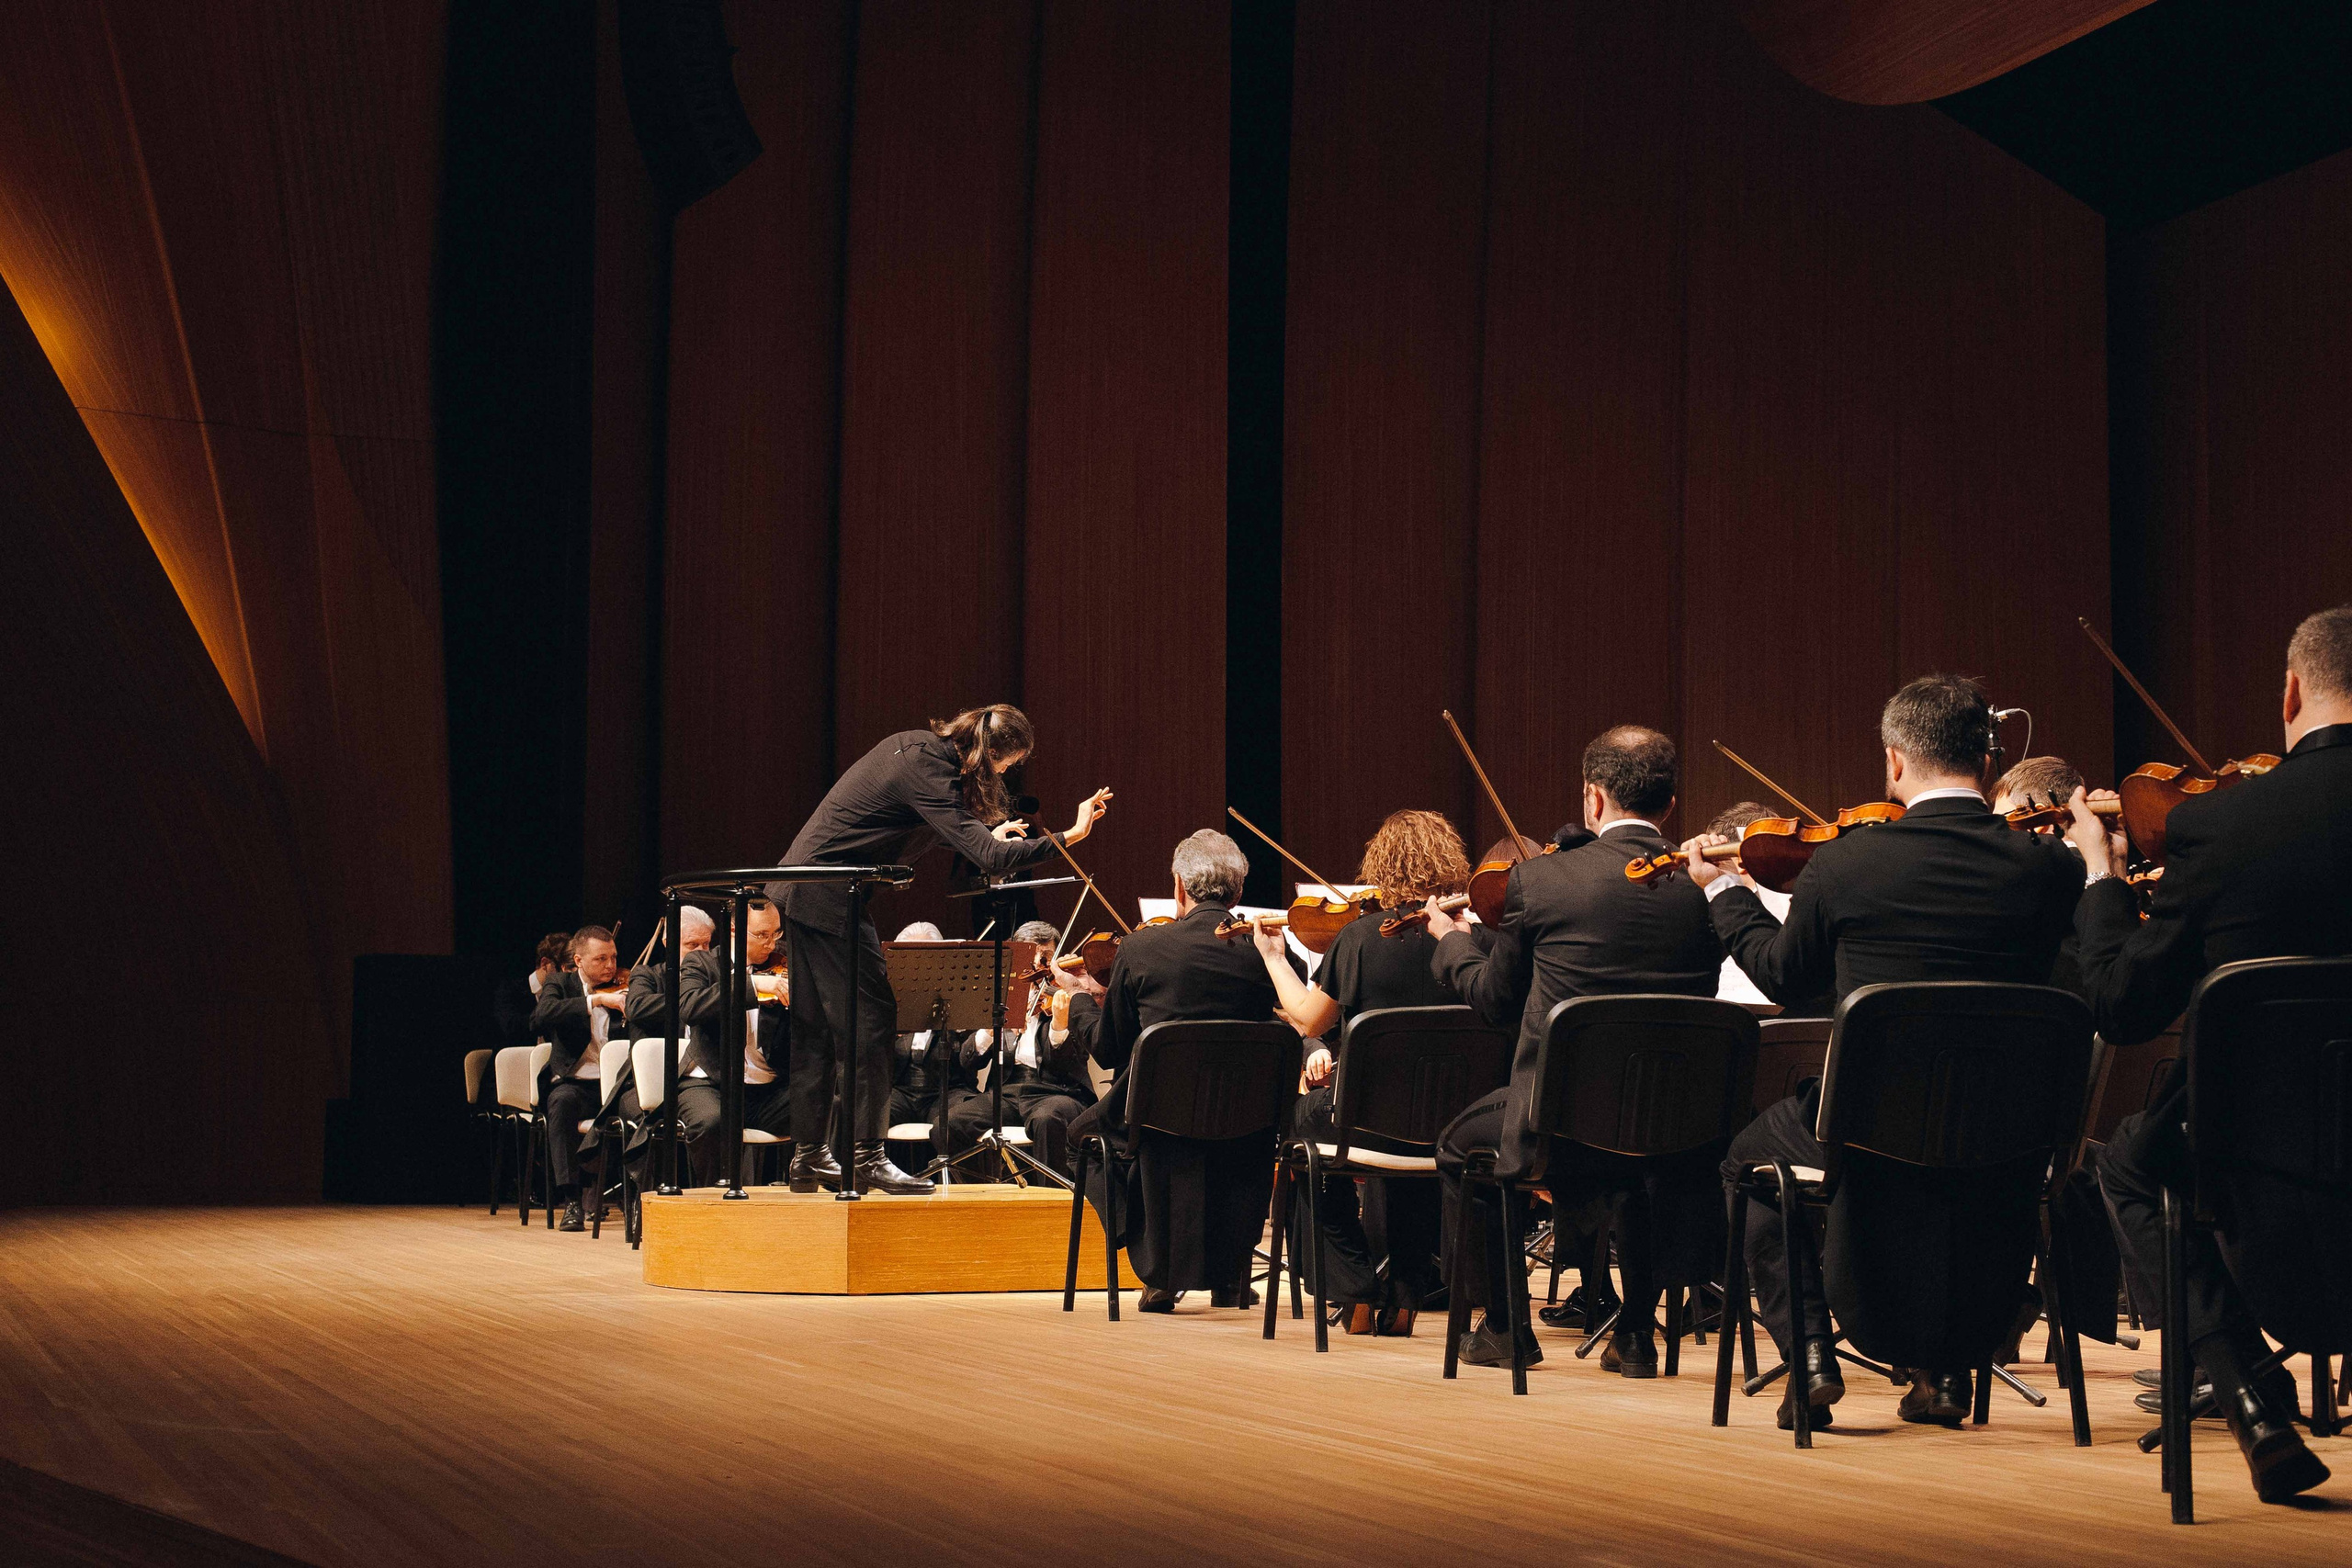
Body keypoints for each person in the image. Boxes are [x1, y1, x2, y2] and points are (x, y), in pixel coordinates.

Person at [1685, 674, 2085, 1427]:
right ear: (1988, 759)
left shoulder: (1846, 865)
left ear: (1896, 762)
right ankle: (1940, 1375)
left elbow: (1782, 973)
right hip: (2005, 1129)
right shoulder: (2051, 868)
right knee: (1952, 1166)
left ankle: (1808, 1356)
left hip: (1868, 1124)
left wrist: (1725, 892)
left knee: (1749, 1160)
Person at [2061, 604, 2352, 1504]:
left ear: (2293, 690)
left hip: (2259, 1158)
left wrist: (2103, 881)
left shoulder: (2220, 828)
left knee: (2131, 1167)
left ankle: (2253, 1402)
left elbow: (2122, 1004)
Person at [1424, 726, 1725, 1376]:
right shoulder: (1699, 896)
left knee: (1457, 1145)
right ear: (1670, 804)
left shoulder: (1540, 882)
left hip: (1553, 1128)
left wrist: (1452, 944)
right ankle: (1639, 1336)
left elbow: (1497, 1001)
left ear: (1593, 799)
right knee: (1636, 1168)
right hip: (1665, 1127)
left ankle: (1505, 1325)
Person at [768, 705, 1111, 1195]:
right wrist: (1070, 837)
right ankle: (866, 1155)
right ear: (990, 752)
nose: (1005, 775)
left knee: (817, 1029)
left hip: (810, 889)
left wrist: (982, 838)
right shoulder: (929, 768)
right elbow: (989, 856)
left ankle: (808, 1158)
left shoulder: (918, 750)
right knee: (874, 1020)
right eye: (1006, 766)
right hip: (827, 894)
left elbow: (943, 831)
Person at [1249, 809, 1473, 1335]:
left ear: (1383, 865)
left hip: (1368, 1118)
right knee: (1415, 1146)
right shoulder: (1469, 942)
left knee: (1302, 1124)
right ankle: (1404, 1293)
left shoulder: (1361, 938)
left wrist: (1275, 958)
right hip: (1449, 1125)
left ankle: (1352, 1286)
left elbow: (1308, 1018)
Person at [1066, 830, 1303, 1310]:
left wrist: (1075, 1002)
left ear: (1179, 888)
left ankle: (1160, 1268)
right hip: (1249, 1122)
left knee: (1081, 1138)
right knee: (1225, 1140)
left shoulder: (1141, 949)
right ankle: (1230, 1272)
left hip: (1161, 1120)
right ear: (1238, 893)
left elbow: (1109, 1050)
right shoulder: (1274, 956)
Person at [945, 919, 1099, 1177]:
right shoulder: (1002, 997)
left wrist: (1059, 1026)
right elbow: (967, 1059)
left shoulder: (1070, 996)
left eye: (1045, 958)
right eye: (1029, 957)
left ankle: (1051, 1204)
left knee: (1047, 1120)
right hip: (1007, 1091)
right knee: (949, 1124)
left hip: (1059, 1092)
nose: (1036, 968)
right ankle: (979, 1194)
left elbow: (1073, 1060)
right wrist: (991, 1029)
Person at [528, 926, 629, 1231]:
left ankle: (633, 1196)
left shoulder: (625, 986)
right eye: (601, 959)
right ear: (579, 960)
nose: (610, 966)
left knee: (642, 1109)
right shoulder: (561, 983)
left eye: (613, 957)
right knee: (560, 1103)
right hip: (577, 1083)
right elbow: (541, 1016)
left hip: (615, 1086)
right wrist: (595, 1001)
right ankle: (571, 1200)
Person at [878, 922, 976, 1176]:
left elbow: (972, 1056)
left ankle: (960, 1192)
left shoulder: (964, 995)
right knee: (863, 1113)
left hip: (948, 1090)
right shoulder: (887, 998)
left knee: (954, 1123)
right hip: (901, 1089)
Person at [493, 931, 574, 1047]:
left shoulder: (566, 993)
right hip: (513, 1061)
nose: (567, 978)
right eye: (563, 969)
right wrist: (554, 1012)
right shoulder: (509, 990)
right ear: (545, 964)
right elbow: (512, 1029)